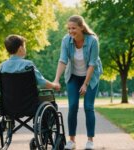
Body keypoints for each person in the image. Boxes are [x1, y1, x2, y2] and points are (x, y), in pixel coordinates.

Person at [53, 15, 103, 150]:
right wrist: (56, 80)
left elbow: (92, 64)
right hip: (73, 76)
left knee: (88, 107)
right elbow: (62, 60)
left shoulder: (93, 40)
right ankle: (72, 141)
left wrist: (85, 84)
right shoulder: (66, 40)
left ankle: (90, 141)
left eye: (73, 28)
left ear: (81, 27)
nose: (70, 31)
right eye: (69, 28)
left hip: (90, 77)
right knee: (73, 106)